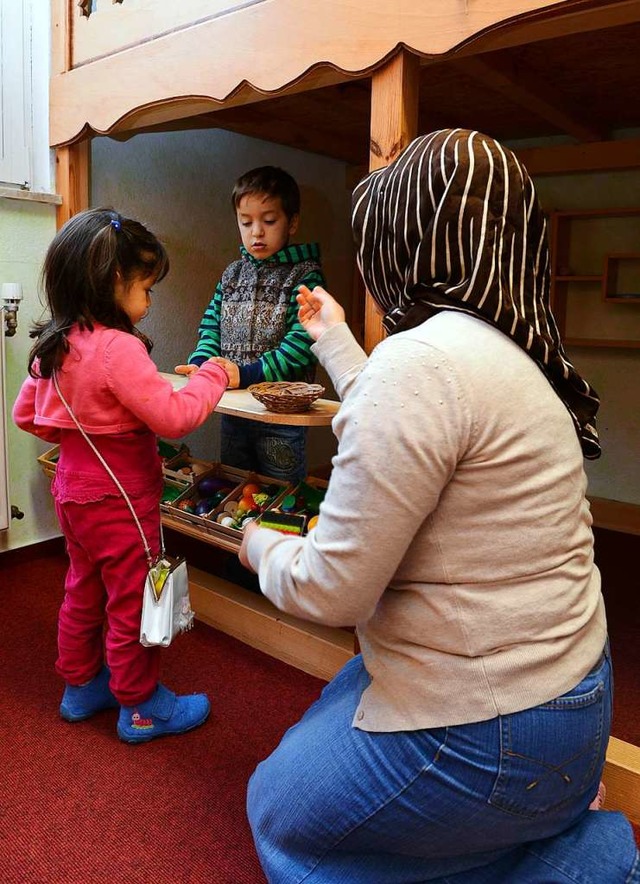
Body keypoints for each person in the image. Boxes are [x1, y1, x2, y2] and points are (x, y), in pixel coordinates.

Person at [239, 130, 640, 882]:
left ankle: (585, 860)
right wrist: (331, 340)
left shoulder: (420, 362)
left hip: (499, 729)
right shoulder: (502, 351)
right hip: (577, 699)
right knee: (338, 705)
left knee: (277, 813)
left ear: (407, 240)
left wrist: (258, 542)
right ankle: (547, 820)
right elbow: (411, 430)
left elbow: (332, 588)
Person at [13, 207, 230, 744]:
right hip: (121, 504)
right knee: (134, 600)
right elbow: (176, 416)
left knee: (82, 589)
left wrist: (76, 434)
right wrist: (213, 375)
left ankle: (81, 686)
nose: (149, 302)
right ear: (115, 281)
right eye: (147, 288)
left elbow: (26, 415)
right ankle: (139, 707)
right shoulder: (118, 348)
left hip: (73, 494)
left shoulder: (55, 344)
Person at [176, 165, 325, 484]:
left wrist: (247, 374)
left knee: (281, 497)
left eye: (269, 221)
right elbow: (210, 326)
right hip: (233, 410)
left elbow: (302, 346)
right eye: (246, 222)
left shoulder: (305, 276)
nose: (256, 231)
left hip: (282, 417)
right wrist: (202, 363)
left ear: (292, 222)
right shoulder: (231, 275)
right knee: (235, 488)